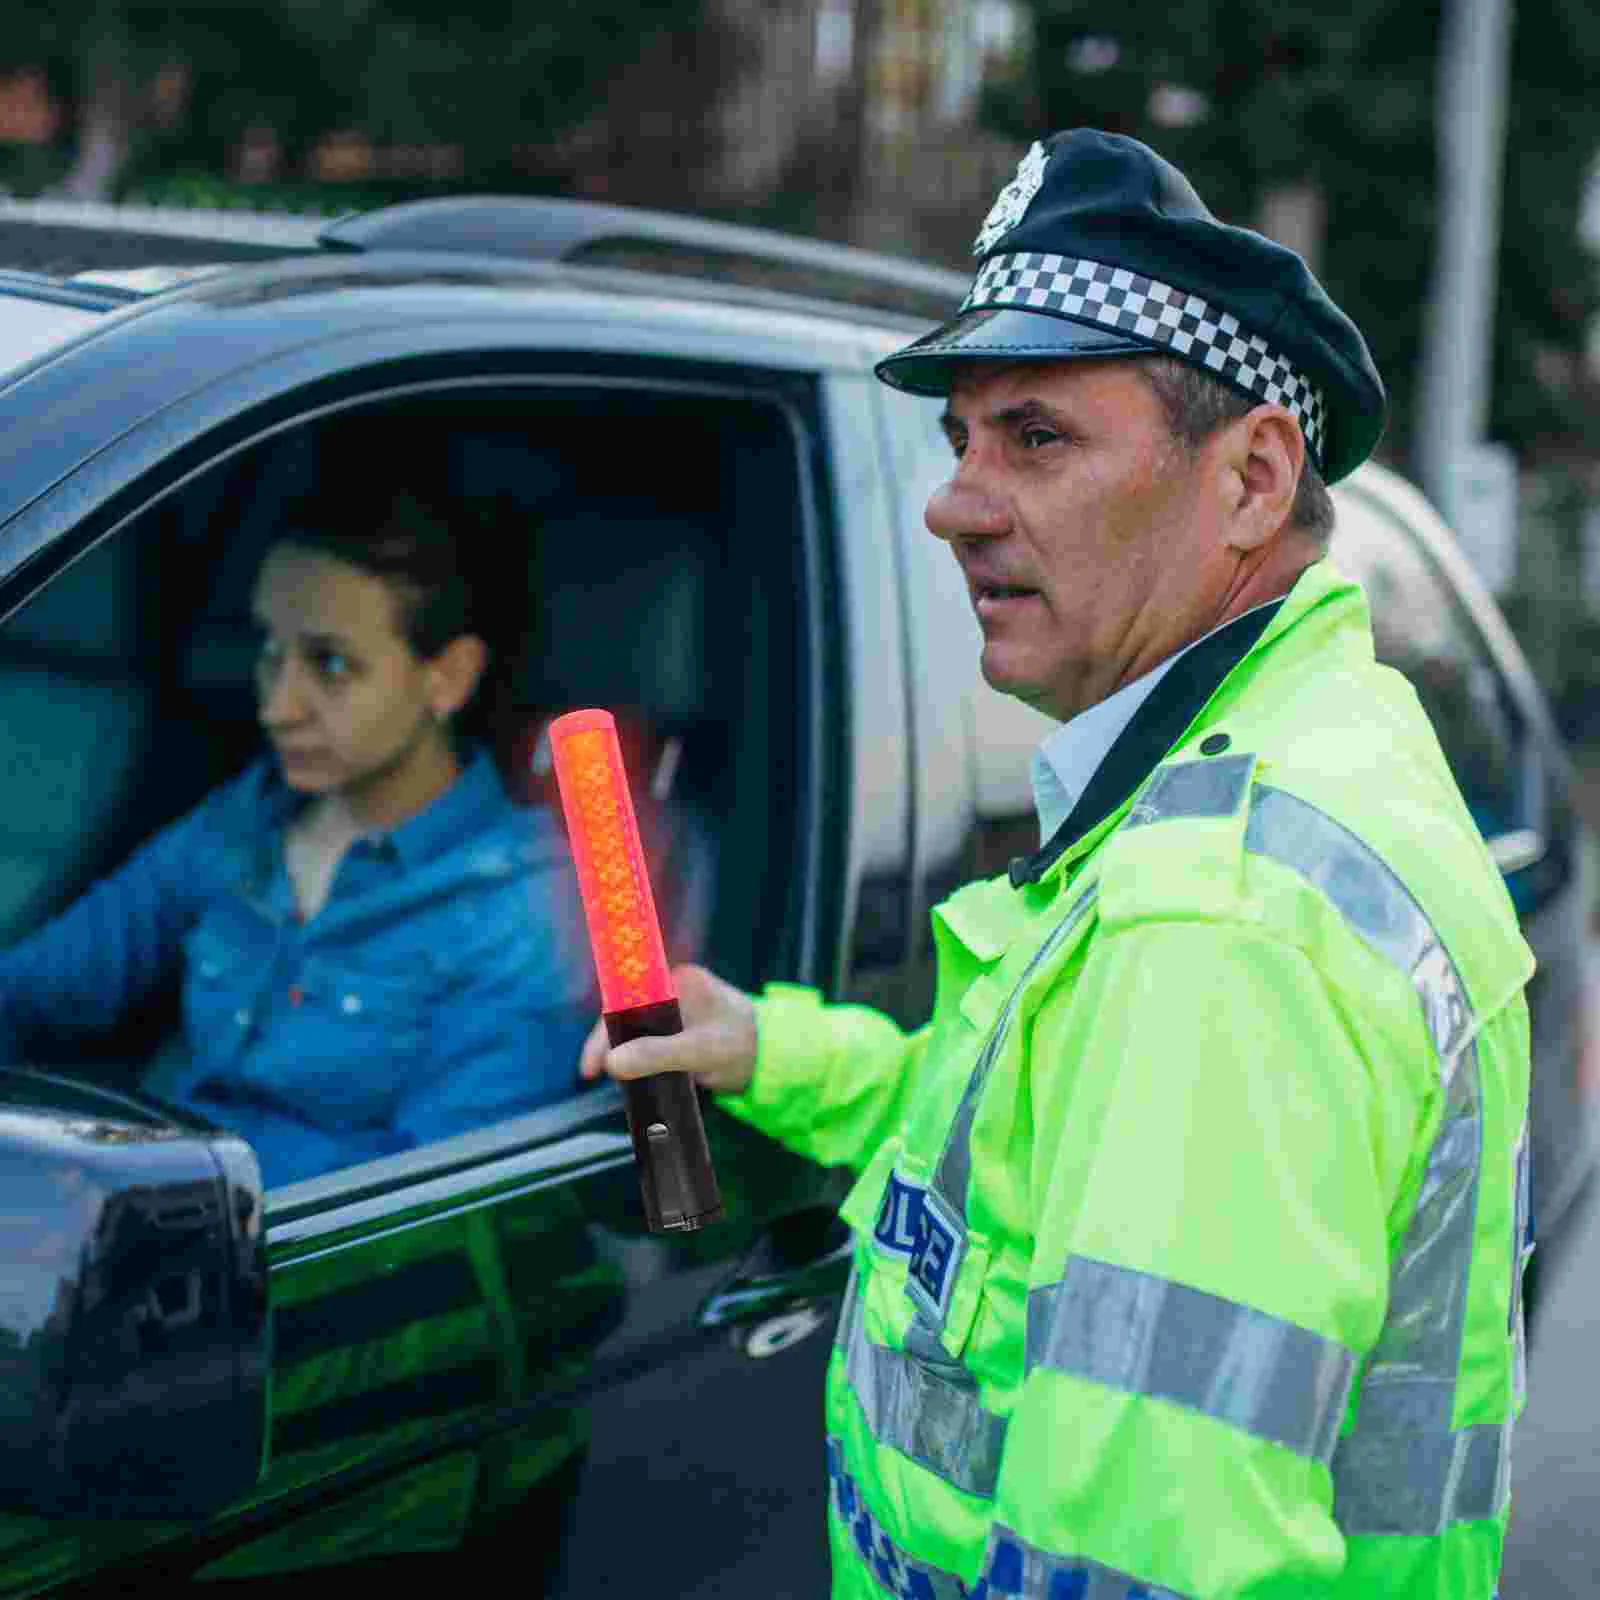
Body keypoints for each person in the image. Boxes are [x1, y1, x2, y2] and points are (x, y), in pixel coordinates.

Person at [581, 129, 1534, 1597]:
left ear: (1249, 482)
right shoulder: (1237, 775)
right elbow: (1036, 1168)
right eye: (959, 439)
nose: (955, 501)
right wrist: (773, 1050)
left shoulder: (1219, 922)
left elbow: (1136, 1564)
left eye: (1036, 437)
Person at [0, 487, 594, 1187]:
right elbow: (37, 988)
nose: (277, 705)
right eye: (270, 652)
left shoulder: (519, 912)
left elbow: (427, 1212)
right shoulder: (245, 819)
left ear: (449, 677)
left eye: (331, 665)